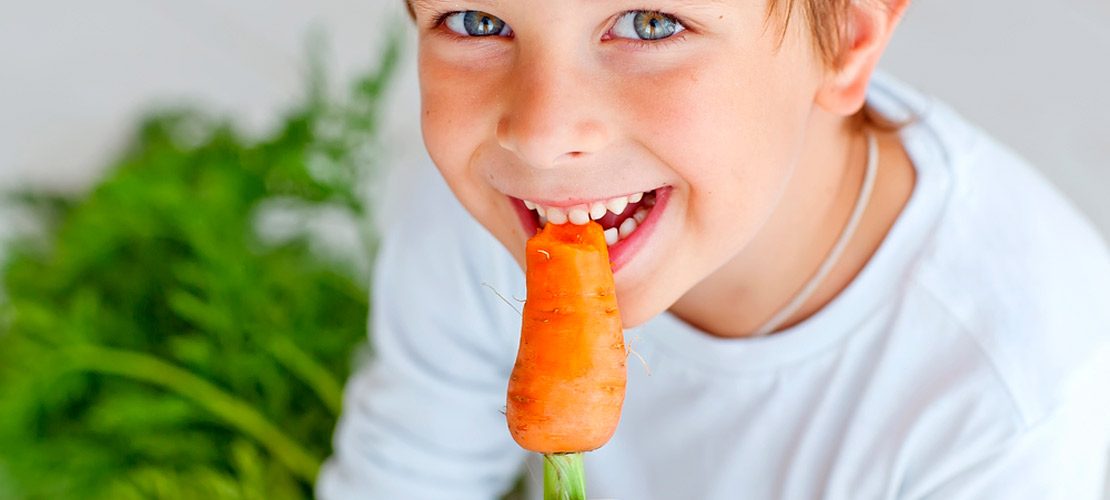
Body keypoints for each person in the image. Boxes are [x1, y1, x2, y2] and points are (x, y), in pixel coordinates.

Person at [318, 0, 1110, 498]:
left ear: (843, 37)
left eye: (650, 24)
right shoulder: (504, 200)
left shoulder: (1013, 407)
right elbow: (410, 466)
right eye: (478, 22)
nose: (541, 131)